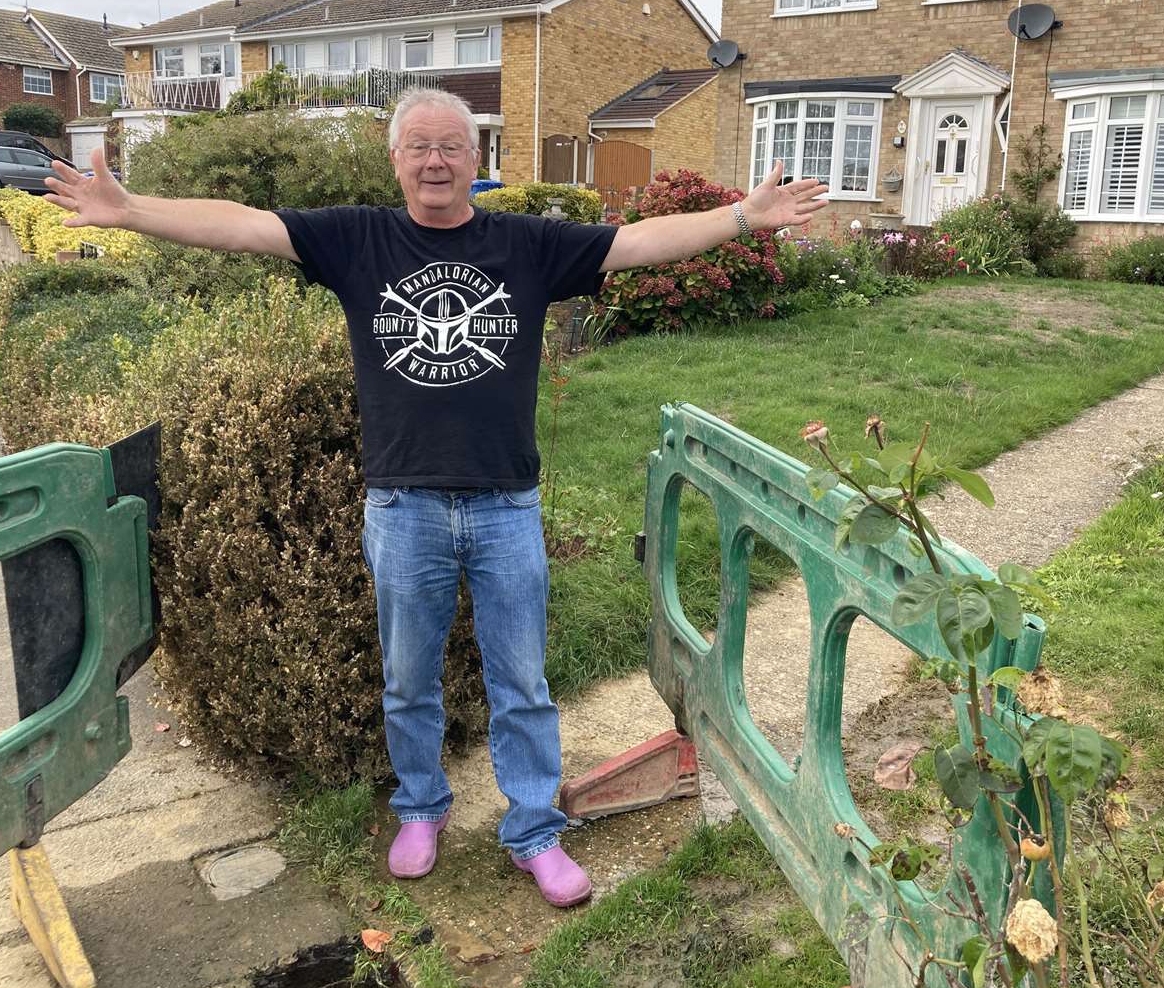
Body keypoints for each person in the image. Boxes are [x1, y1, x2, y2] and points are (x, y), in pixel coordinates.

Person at [44, 88, 826, 907]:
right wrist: (132, 211)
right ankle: (420, 808)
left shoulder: (526, 245)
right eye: (418, 147)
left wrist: (744, 217)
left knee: (521, 681)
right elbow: (241, 222)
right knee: (409, 677)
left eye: (451, 147)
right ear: (396, 160)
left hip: (505, 505)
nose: (435, 162)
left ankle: (533, 829)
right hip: (403, 506)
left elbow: (637, 242)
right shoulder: (357, 240)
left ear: (475, 158)